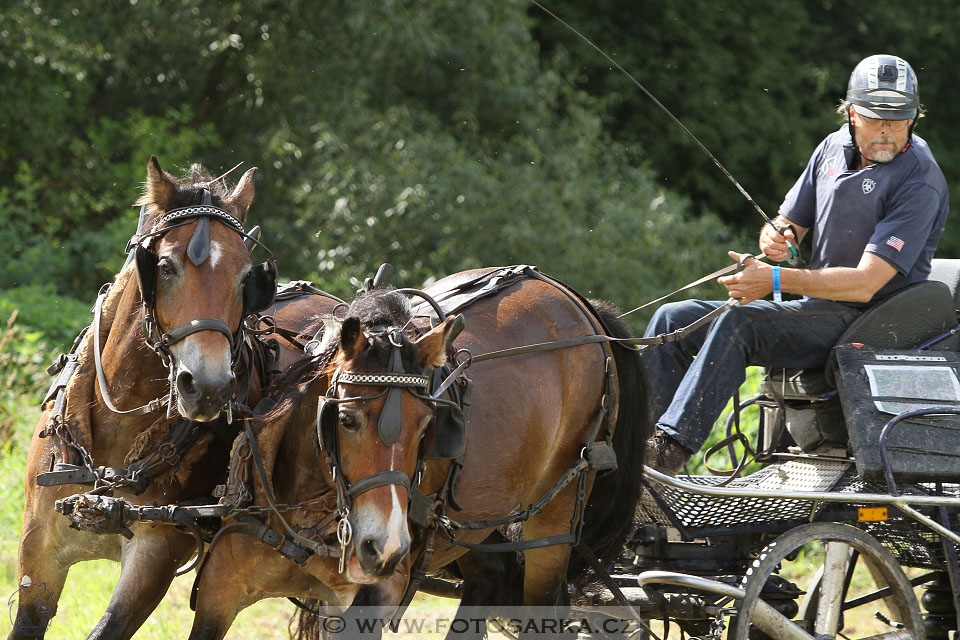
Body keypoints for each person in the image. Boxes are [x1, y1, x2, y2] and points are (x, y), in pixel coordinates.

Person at [643, 54, 949, 474]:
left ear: (913, 119)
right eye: (877, 119)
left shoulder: (920, 180)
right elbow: (789, 223)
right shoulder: (830, 149)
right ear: (852, 112)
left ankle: (666, 452)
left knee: (742, 323)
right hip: (816, 308)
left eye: (898, 121)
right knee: (672, 318)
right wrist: (776, 236)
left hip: (867, 322)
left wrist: (771, 278)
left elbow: (865, 284)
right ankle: (628, 445)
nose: (887, 132)